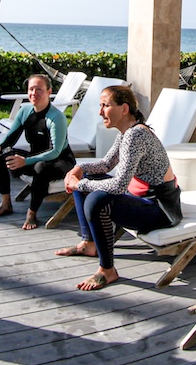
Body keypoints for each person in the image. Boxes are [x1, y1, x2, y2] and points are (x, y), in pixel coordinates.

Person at [59, 85, 182, 290]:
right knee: (87, 178)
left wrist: (79, 184)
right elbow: (107, 164)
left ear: (124, 109)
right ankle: (89, 244)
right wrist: (80, 169)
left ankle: (107, 270)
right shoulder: (126, 133)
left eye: (105, 106)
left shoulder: (136, 135)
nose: (100, 112)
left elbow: (118, 185)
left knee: (96, 199)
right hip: (141, 199)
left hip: (161, 209)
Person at [0, 73, 76, 229]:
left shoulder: (56, 117)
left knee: (41, 167)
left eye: (39, 89)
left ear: (49, 92)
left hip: (61, 161)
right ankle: (6, 204)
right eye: (31, 89)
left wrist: (25, 161)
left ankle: (32, 214)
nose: (34, 93)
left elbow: (55, 151)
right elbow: (10, 139)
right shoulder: (25, 111)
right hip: (35, 157)